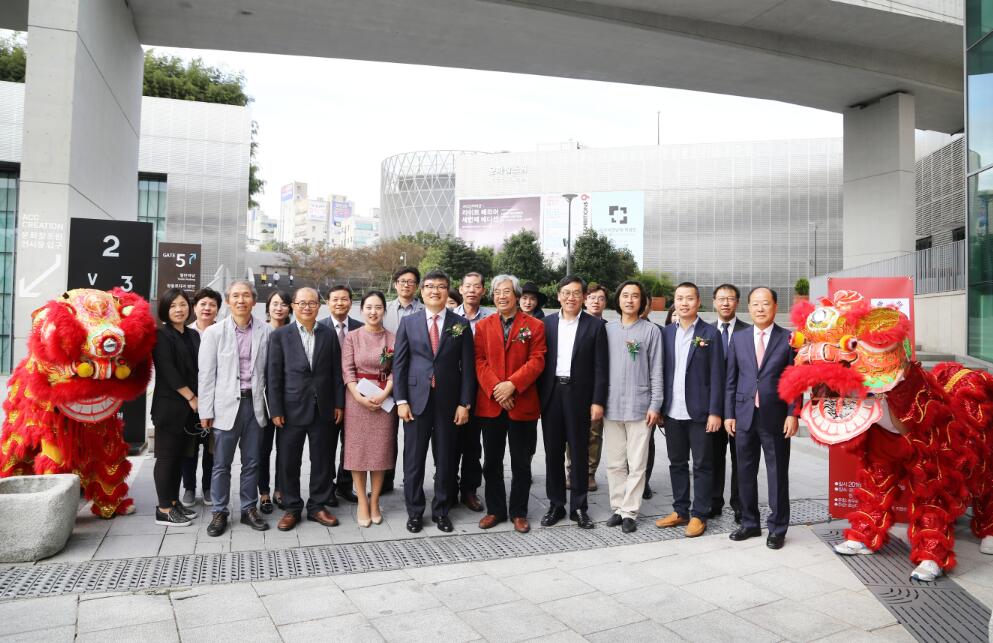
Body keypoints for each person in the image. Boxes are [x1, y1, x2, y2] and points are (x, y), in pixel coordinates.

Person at [394, 271, 476, 532]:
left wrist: (465, 403)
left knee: (446, 459)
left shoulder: (460, 324)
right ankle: (415, 512)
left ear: (448, 290)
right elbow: (400, 365)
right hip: (415, 402)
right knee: (413, 461)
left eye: (441, 287)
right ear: (422, 291)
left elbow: (468, 368)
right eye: (429, 286)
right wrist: (401, 400)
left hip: (448, 403)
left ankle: (442, 510)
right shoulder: (409, 323)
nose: (435, 291)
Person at [725, 287, 800, 549]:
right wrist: (729, 414)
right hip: (743, 415)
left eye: (765, 303)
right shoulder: (739, 338)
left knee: (777, 473)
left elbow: (795, 379)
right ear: (748, 307)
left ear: (775, 306)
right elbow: (731, 380)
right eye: (755, 304)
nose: (760, 308)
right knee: (744, 471)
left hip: (776, 416)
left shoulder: (789, 338)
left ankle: (777, 528)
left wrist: (792, 414)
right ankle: (749, 523)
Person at [198, 280, 271, 537]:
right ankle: (219, 511)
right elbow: (206, 375)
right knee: (221, 464)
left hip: (255, 405)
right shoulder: (214, 333)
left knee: (252, 462)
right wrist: (205, 411)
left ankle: (249, 509)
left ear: (254, 300)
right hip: (224, 407)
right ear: (228, 301)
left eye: (246, 295)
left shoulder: (266, 331)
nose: (241, 300)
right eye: (236, 296)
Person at [474, 274, 546, 533]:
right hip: (492, 404)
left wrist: (512, 385)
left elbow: (538, 359)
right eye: (497, 292)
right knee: (491, 461)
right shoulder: (483, 326)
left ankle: (518, 511)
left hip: (521, 402)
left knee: (521, 463)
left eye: (506, 291)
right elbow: (479, 361)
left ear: (516, 296)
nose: (501, 296)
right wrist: (497, 389)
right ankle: (495, 510)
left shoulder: (535, 325)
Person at [267, 287, 343, 531]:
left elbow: (336, 372)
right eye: (302, 303)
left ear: (319, 306)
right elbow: (273, 376)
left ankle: (317, 506)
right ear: (293, 306)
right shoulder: (280, 336)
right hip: (290, 409)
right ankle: (291, 507)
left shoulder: (329, 334)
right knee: (289, 461)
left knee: (322, 460)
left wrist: (339, 404)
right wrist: (275, 409)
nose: (307, 307)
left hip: (323, 408)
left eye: (312, 303)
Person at [538, 275, 607, 530]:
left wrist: (597, 401)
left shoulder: (595, 326)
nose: (571, 297)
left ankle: (579, 507)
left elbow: (601, 367)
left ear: (584, 297)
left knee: (579, 451)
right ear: (559, 296)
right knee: (553, 452)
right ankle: (556, 504)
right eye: (566, 293)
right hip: (552, 394)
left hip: (580, 396)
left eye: (577, 293)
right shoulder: (546, 324)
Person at [657, 282, 724, 538]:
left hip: (700, 411)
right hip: (672, 410)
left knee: (703, 464)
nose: (684, 303)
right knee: (677, 463)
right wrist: (660, 407)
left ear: (698, 302)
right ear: (674, 302)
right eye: (679, 298)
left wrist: (715, 411)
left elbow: (717, 374)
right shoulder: (666, 333)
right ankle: (680, 510)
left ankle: (699, 515)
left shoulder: (710, 333)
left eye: (689, 298)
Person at [603, 281, 663, 533]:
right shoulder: (607, 330)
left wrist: (655, 404)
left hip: (640, 406)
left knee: (637, 463)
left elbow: (657, 371)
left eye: (635, 296)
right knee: (615, 462)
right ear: (618, 300)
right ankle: (618, 506)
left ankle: (630, 511)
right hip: (611, 405)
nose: (629, 300)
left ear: (642, 301)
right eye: (625, 295)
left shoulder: (651, 331)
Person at [342, 291, 399, 527]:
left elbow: (397, 370)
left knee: (379, 453)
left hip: (384, 400)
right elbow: (347, 370)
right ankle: (362, 501)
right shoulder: (352, 337)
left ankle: (374, 500)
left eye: (378, 307)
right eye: (368, 307)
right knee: (357, 452)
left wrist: (384, 394)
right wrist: (358, 396)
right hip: (356, 401)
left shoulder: (393, 338)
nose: (373, 312)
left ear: (384, 310)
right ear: (361, 310)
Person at [151, 288, 200, 527]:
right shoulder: (160, 335)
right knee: (166, 458)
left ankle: (173, 501)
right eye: (173, 306)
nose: (179, 309)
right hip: (170, 407)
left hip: (189, 410)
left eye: (182, 304)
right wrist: (191, 397)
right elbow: (168, 370)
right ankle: (163, 509)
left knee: (180, 457)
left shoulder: (193, 335)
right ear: (165, 309)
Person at [451, 271, 493, 511]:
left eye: (477, 286)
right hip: (452, 387)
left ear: (483, 291)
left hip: (481, 388)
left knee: (473, 443)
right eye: (467, 286)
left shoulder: (491, 318)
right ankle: (447, 485)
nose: (472, 290)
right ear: (460, 288)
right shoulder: (449, 316)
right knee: (449, 440)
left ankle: (469, 489)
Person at [318, 284, 363, 504]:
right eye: (335, 299)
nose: (339, 303)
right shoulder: (318, 327)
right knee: (326, 444)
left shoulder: (361, 328)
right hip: (326, 397)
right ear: (327, 302)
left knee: (351, 443)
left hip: (355, 396)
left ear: (351, 302)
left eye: (344, 299)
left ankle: (345, 485)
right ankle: (326, 487)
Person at [382, 266, 424, 493]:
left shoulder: (425, 310)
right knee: (386, 434)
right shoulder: (384, 310)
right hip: (387, 380)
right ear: (395, 284)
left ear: (417, 286)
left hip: (416, 381)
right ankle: (385, 480)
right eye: (402, 281)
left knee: (413, 436)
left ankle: (411, 482)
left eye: (411, 282)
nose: (406, 285)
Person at [711, 283, 750, 523]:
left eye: (730, 298)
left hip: (741, 407)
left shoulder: (749, 331)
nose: (725, 303)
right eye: (721, 298)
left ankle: (740, 505)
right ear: (714, 302)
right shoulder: (705, 332)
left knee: (741, 458)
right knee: (713, 457)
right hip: (714, 408)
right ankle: (714, 502)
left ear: (737, 302)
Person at [565, 283, 609, 492]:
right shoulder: (572, 323)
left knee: (594, 433)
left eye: (600, 298)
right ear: (585, 300)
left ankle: (589, 472)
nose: (596, 302)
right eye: (592, 298)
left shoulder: (608, 327)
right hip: (573, 388)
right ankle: (572, 470)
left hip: (596, 388)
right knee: (571, 432)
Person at [180, 287, 222, 508]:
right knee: (189, 447)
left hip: (217, 402)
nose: (207, 308)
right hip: (190, 402)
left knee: (211, 448)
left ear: (218, 309)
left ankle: (208, 487)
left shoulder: (223, 332)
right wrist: (191, 396)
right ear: (194, 307)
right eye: (203, 304)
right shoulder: (184, 334)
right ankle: (189, 487)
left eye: (212, 305)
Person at [258, 289, 291, 514]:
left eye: (284, 304)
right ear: (268, 307)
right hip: (262, 399)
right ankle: (264, 493)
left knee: (285, 448)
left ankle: (281, 490)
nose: (279, 308)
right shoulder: (260, 331)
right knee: (263, 448)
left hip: (288, 399)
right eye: (275, 304)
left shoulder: (293, 332)